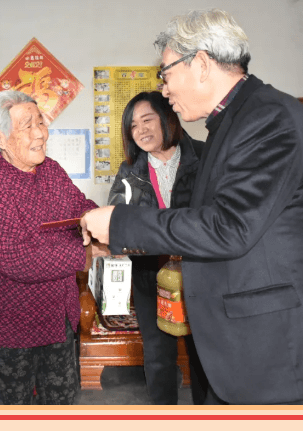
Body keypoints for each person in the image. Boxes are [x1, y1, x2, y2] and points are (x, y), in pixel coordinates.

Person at [81, 9, 303, 405]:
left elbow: (229, 226)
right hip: (245, 342)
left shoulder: (267, 118)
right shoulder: (231, 123)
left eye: (165, 74)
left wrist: (121, 223)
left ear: (200, 64)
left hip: (274, 348)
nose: (164, 89)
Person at [0, 90, 106, 405]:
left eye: (40, 122)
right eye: (27, 126)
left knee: (62, 402)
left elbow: (79, 206)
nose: (40, 133)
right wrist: (85, 252)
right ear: (0, 138)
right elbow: (17, 259)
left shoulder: (51, 171)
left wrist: (98, 220)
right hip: (10, 326)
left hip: (58, 319)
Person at [107, 91, 208, 405]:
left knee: (205, 353)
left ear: (167, 118)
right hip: (150, 274)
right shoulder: (129, 171)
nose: (141, 130)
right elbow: (118, 221)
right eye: (133, 126)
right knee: (158, 354)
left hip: (201, 271)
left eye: (147, 120)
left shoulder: (205, 157)